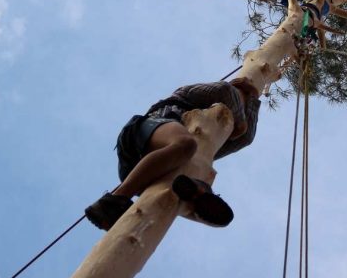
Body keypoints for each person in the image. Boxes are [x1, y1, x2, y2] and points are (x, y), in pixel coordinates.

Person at [84, 77, 261, 231]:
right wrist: (241, 111)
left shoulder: (213, 133)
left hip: (161, 166)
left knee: (180, 186)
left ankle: (196, 196)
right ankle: (114, 201)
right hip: (145, 134)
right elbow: (225, 90)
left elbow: (245, 138)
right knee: (185, 144)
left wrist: (252, 99)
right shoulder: (186, 96)